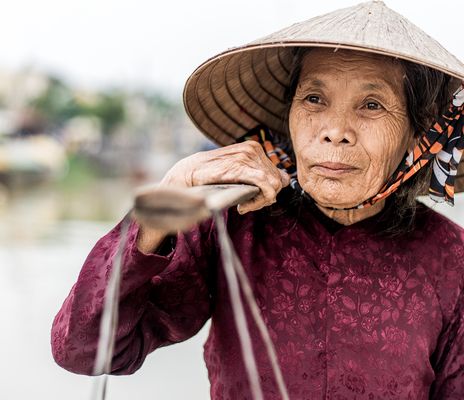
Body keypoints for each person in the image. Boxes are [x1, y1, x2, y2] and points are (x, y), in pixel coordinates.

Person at [51, 1, 464, 399]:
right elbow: (85, 351)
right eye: (314, 99)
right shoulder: (233, 224)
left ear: (417, 135)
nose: (335, 131)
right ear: (289, 115)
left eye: (372, 105)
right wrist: (164, 202)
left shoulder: (453, 259)